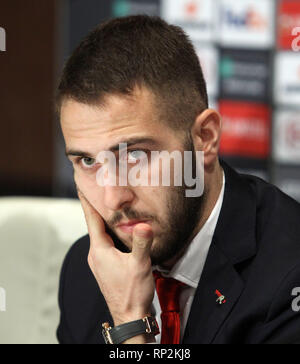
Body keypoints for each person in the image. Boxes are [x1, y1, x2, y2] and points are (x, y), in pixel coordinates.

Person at [56, 15, 300, 344]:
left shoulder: (289, 278)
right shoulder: (85, 274)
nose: (113, 197)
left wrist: (129, 322)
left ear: (205, 138)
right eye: (86, 160)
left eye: (135, 155)